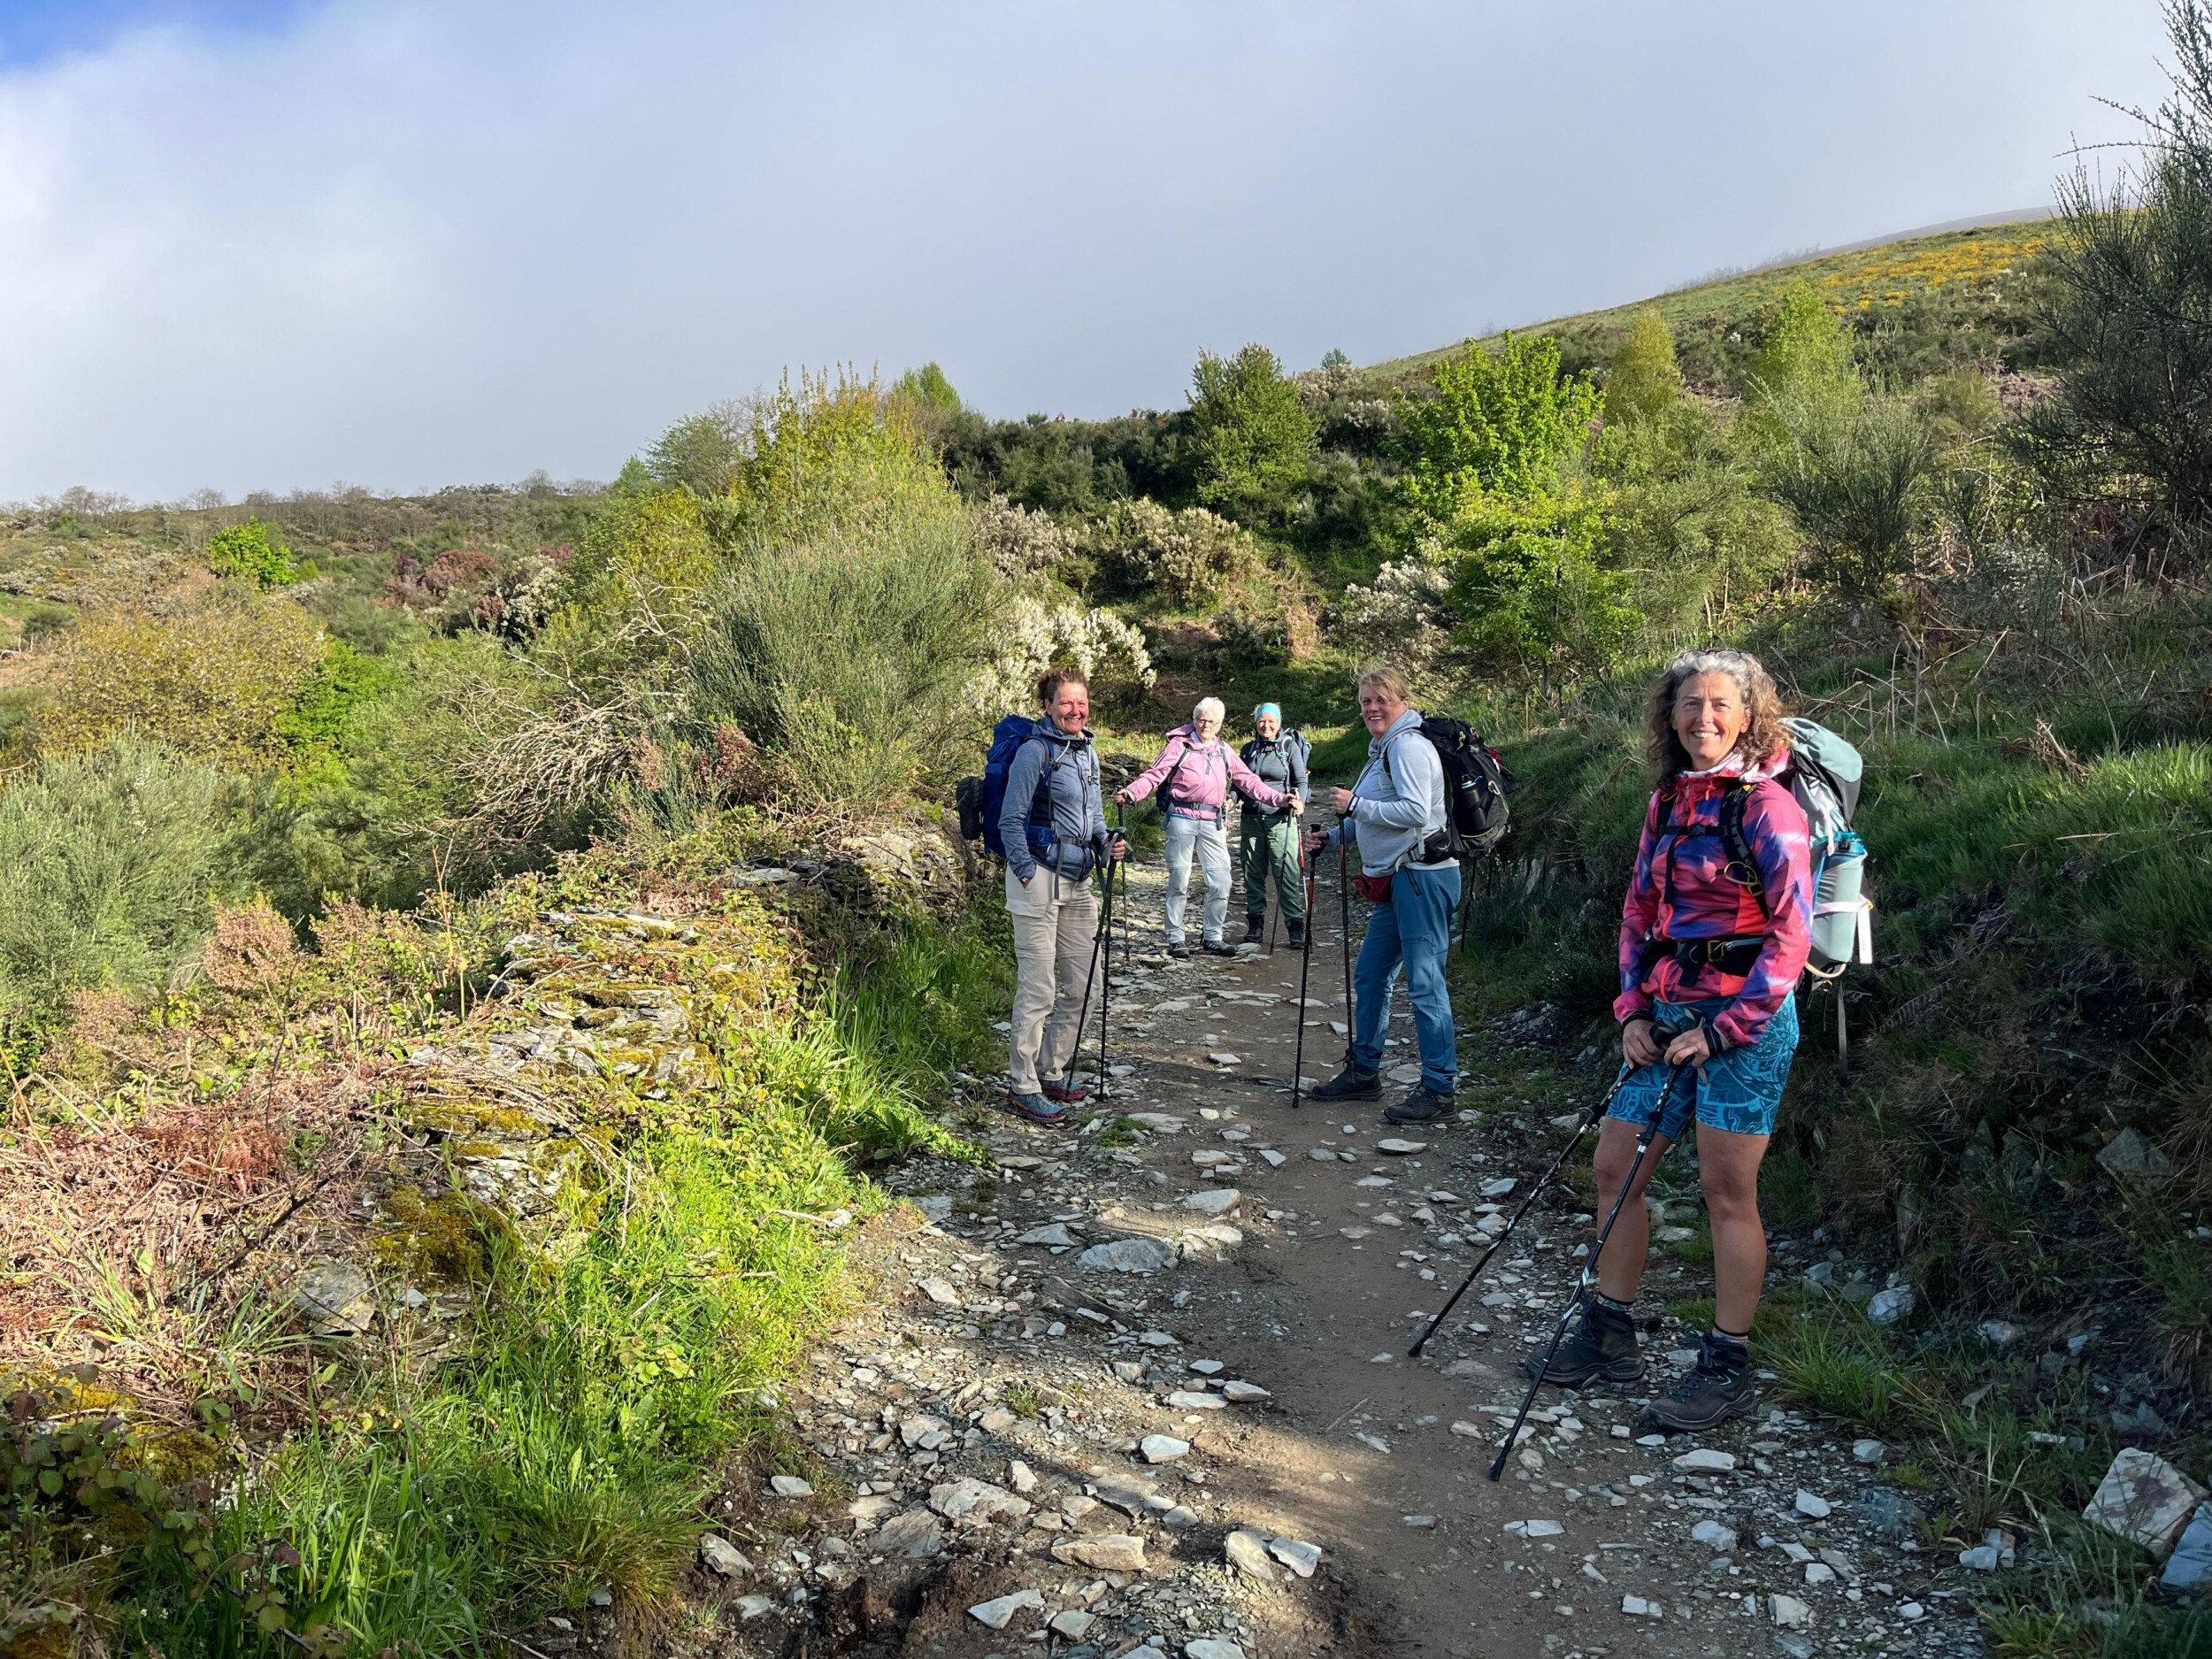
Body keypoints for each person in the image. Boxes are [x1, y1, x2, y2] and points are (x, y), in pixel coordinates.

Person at [1528, 648, 1812, 1433]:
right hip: (1665, 1017)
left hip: (1747, 1026)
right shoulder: (1669, 800)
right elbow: (1637, 911)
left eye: (1720, 704)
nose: (1703, 717)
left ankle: (1727, 1367)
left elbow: (1791, 935)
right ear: (1671, 713)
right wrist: (1631, 1011)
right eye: (1691, 703)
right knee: (1614, 1166)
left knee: (1726, 1189)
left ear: (1749, 714)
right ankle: (1610, 1335)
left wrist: (1724, 1030)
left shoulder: (1768, 808)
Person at [1303, 666, 1462, 1125]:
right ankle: (1364, 1071)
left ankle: (1439, 1090)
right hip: (1398, 880)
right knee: (1371, 975)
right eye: (1366, 701)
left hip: (1422, 878)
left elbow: (1415, 812)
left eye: (1381, 699)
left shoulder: (1408, 746)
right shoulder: (1383, 749)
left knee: (1425, 983)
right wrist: (1333, 838)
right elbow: (1374, 817)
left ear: (1403, 702)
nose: (1372, 708)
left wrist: (1355, 804)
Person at [999, 665, 1127, 1128]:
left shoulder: (1087, 750)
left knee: (1085, 983)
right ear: (1048, 705)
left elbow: (1094, 816)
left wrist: (1107, 841)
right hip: (1038, 879)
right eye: (1066, 702)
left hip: (1079, 880)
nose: (1076, 710)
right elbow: (1010, 819)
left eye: (1082, 702)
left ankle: (1050, 1069)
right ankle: (1023, 1086)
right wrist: (1025, 872)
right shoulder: (1035, 751)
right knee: (1039, 988)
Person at [1118, 697, 1290, 958]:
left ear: (1220, 724)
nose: (1206, 725)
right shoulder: (1179, 745)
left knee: (1221, 881)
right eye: (1201, 719)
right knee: (1180, 879)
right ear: (1194, 719)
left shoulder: (1223, 750)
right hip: (1181, 818)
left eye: (1212, 721)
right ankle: (1176, 938)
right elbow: (1155, 773)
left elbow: (1248, 781)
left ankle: (1213, 937)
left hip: (1213, 820)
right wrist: (1131, 793)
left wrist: (1280, 799)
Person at [1238, 703, 1310, 949]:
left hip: (1281, 819)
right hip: (1251, 819)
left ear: (1279, 723)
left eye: (1271, 721)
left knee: (1286, 874)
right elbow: (1239, 784)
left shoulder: (1288, 747)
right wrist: (1231, 799)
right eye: (1262, 721)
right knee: (1252, 874)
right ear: (1256, 722)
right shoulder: (1248, 750)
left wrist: (1300, 802)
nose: (1266, 726)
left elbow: (1301, 781)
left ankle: (1295, 927)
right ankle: (1255, 926)